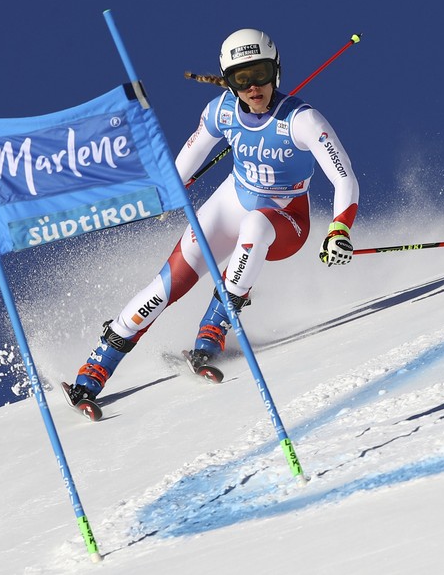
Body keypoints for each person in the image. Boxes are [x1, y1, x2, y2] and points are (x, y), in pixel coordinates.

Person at [65, 28, 360, 403]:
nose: (254, 87)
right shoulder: (221, 111)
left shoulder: (302, 120)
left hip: (285, 219)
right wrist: (171, 191)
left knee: (255, 224)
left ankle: (213, 331)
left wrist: (339, 228)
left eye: (262, 74)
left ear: (277, 72)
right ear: (229, 82)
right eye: (242, 78)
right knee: (165, 286)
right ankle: (95, 370)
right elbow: (190, 156)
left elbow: (344, 176)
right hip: (230, 203)